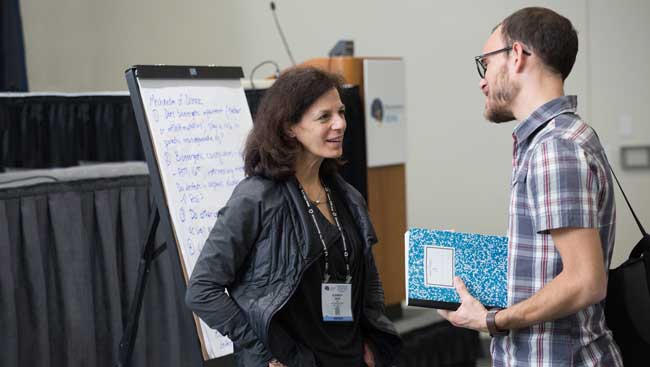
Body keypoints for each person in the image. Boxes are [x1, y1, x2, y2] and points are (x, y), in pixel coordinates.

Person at [437, 7, 623, 366]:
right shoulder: (562, 137)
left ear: (518, 56)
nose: (482, 79)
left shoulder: (555, 147)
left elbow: (585, 281)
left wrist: (492, 321)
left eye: (485, 64)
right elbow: (550, 269)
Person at [185, 66, 401, 367]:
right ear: (289, 127)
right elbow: (202, 290)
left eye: (341, 112)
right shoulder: (255, 197)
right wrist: (264, 352)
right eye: (324, 117)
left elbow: (369, 280)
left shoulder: (348, 197)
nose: (340, 124)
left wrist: (371, 342)